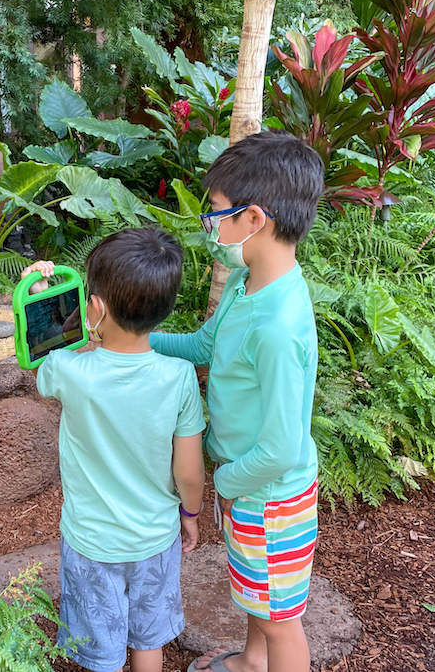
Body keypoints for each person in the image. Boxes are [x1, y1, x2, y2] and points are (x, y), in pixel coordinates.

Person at [150, 131, 324, 672]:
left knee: (280, 617)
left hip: (268, 493)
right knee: (258, 592)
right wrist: (134, 338)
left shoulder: (277, 327)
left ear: (255, 220)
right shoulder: (248, 280)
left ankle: (267, 658)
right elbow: (204, 346)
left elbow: (280, 448)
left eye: (217, 214)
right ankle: (251, 662)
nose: (211, 225)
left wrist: (219, 488)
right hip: (249, 484)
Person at [21, 227, 206, 672]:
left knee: (100, 649)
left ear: (96, 308)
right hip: (154, 539)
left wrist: (40, 293)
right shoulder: (179, 376)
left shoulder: (70, 370)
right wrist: (191, 514)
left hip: (91, 542)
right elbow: (189, 473)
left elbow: (40, 353)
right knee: (148, 639)